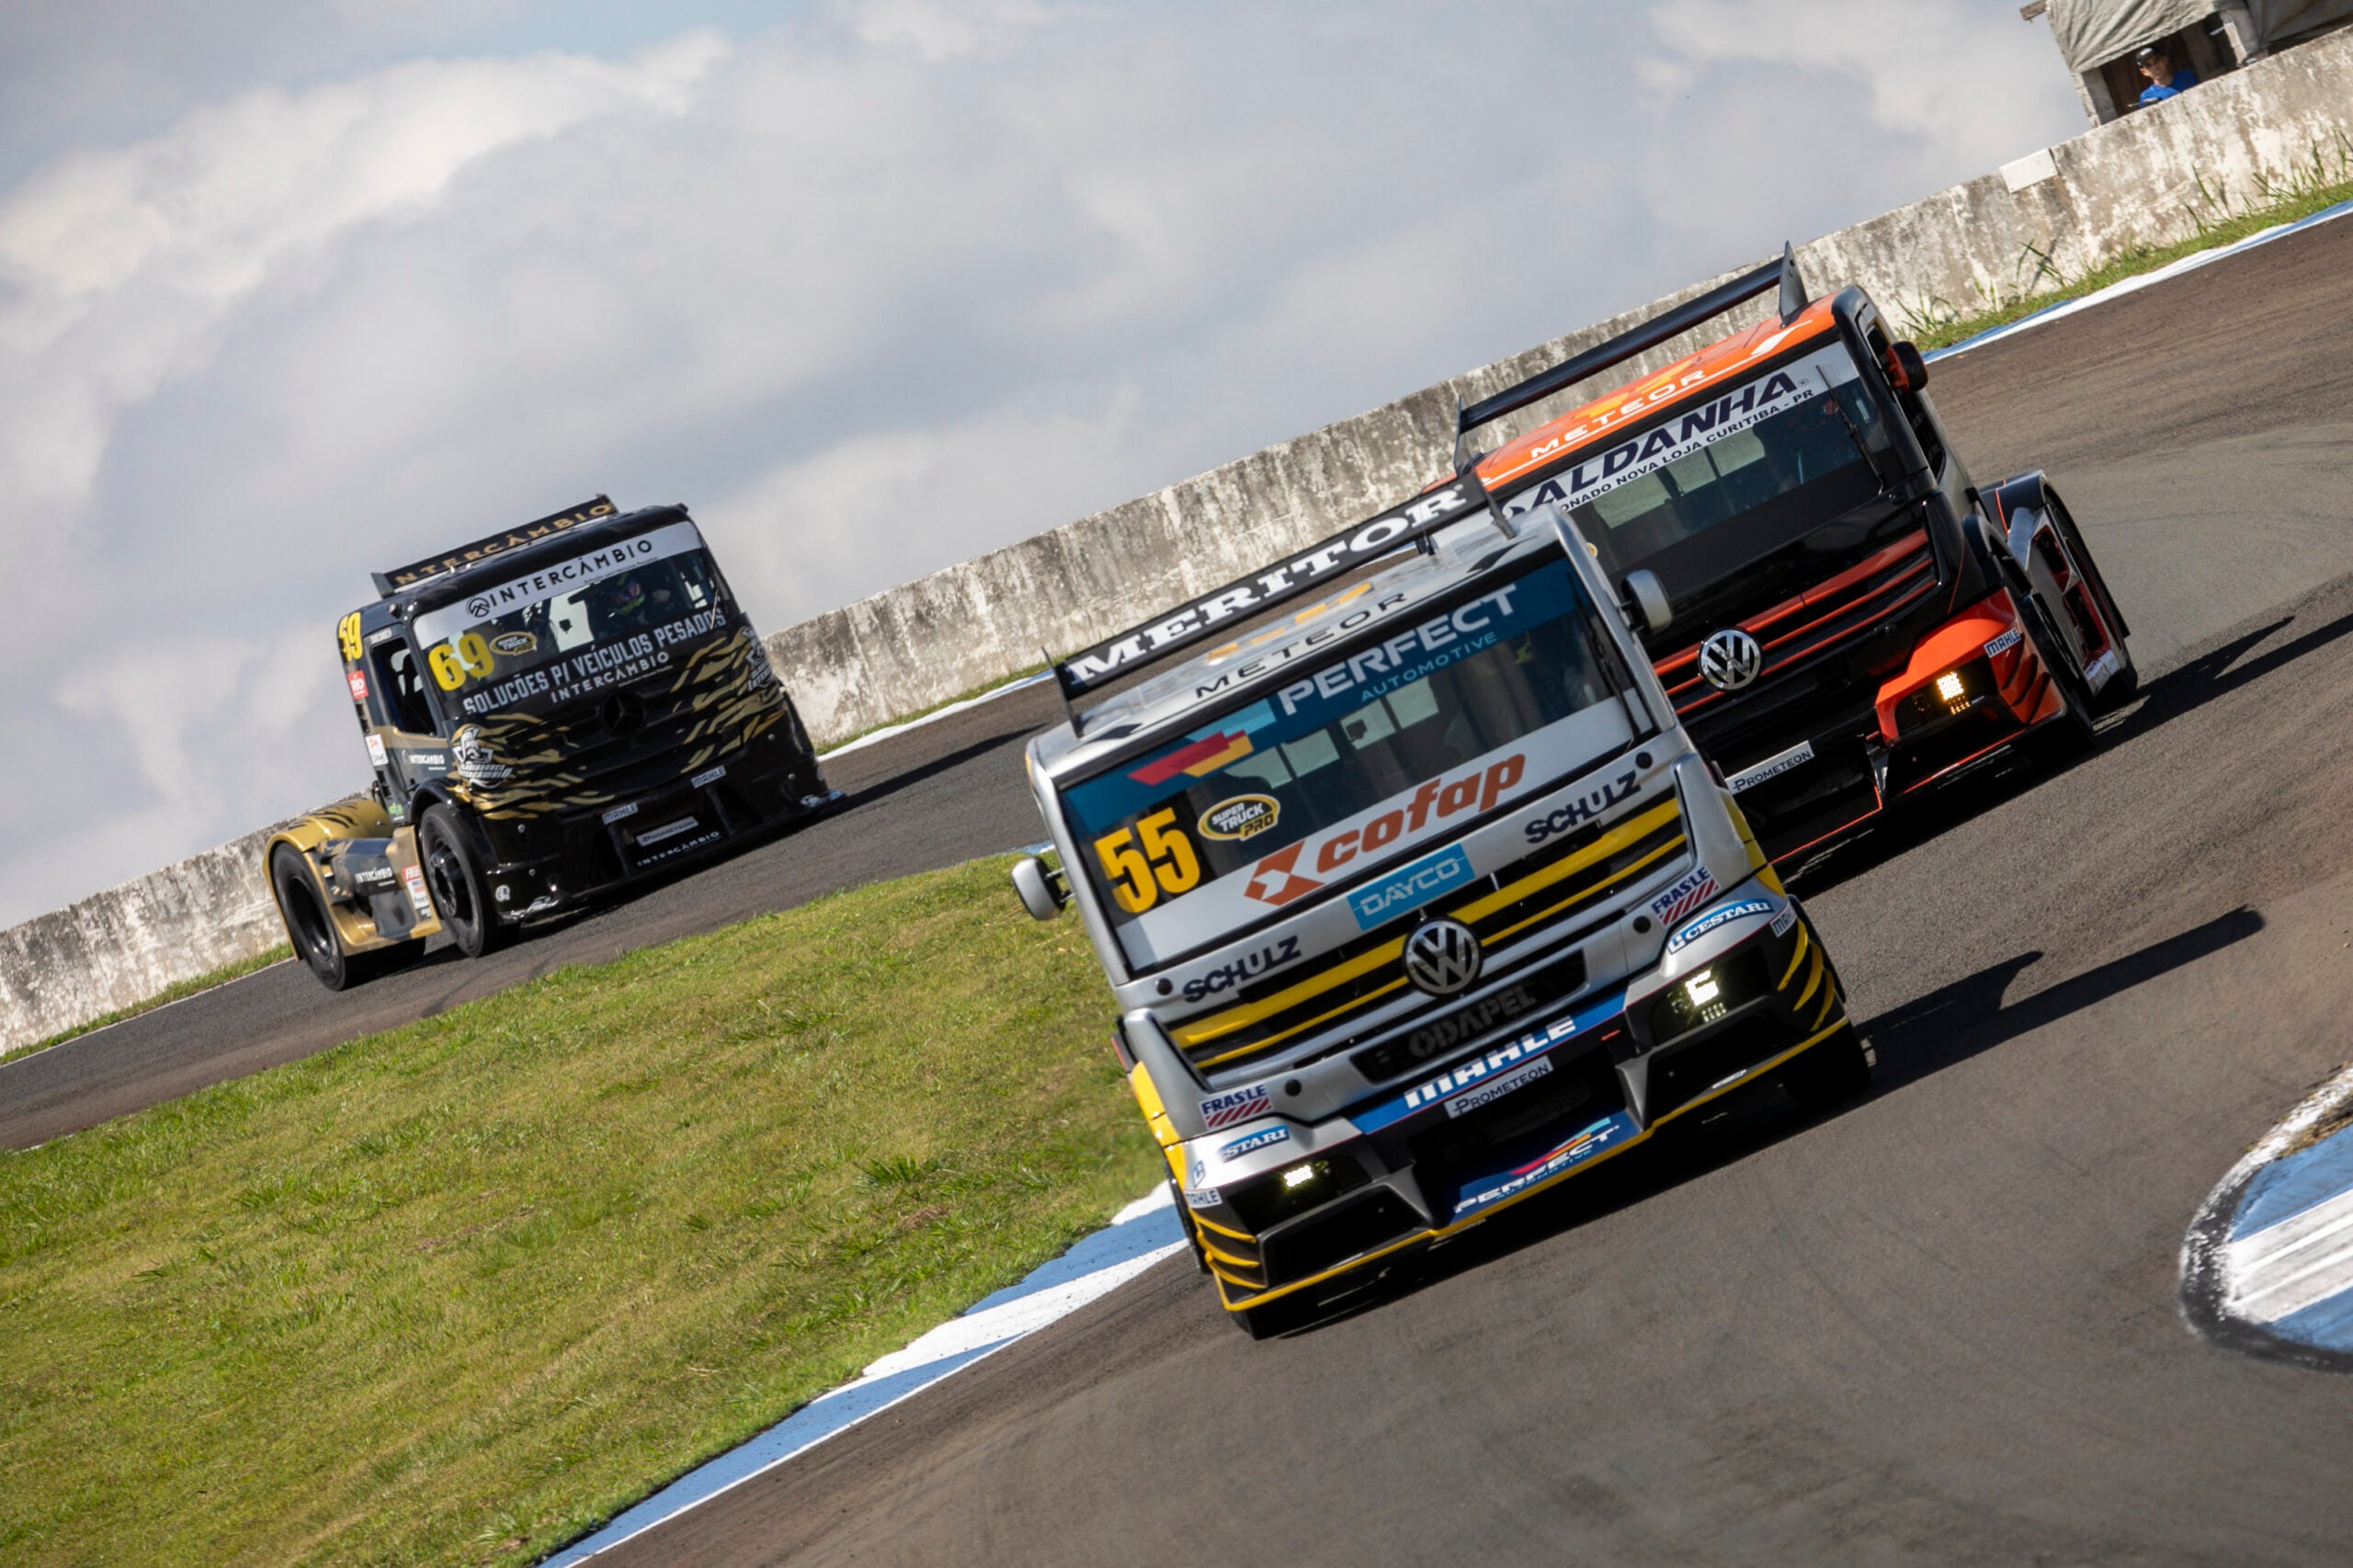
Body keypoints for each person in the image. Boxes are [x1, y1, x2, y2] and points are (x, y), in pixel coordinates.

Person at [2134, 45, 2199, 108]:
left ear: (2165, 60)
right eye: (2148, 65)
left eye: (2156, 60)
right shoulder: (2147, 96)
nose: (2155, 67)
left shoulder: (2186, 76)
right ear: (2144, 72)